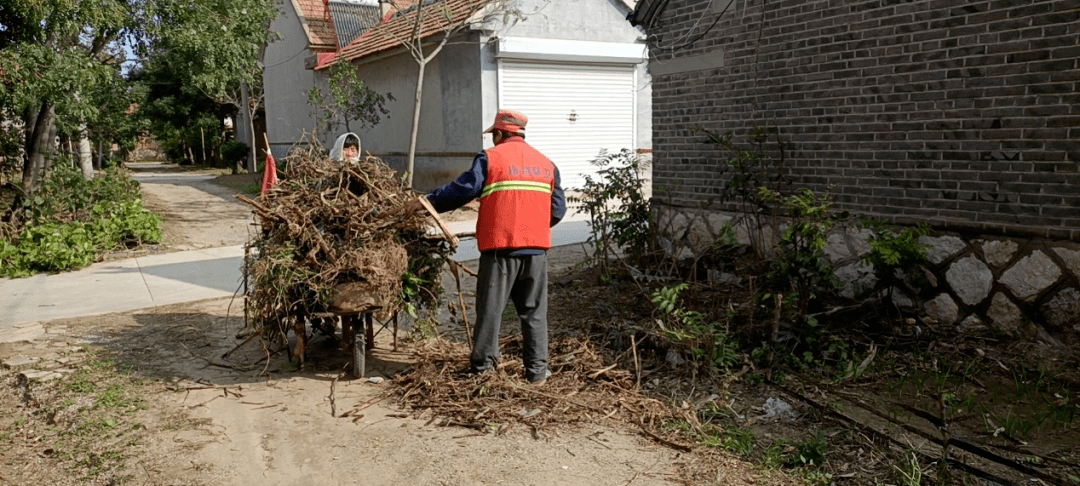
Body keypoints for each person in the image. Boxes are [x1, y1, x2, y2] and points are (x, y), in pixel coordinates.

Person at [420, 109, 566, 386]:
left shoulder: (491, 158)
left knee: (490, 312)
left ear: (499, 134)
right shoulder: (547, 164)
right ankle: (537, 373)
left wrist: (429, 202)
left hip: (501, 250)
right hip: (536, 251)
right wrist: (531, 226)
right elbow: (558, 210)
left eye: (494, 135)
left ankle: (484, 372)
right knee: (534, 313)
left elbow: (462, 190)